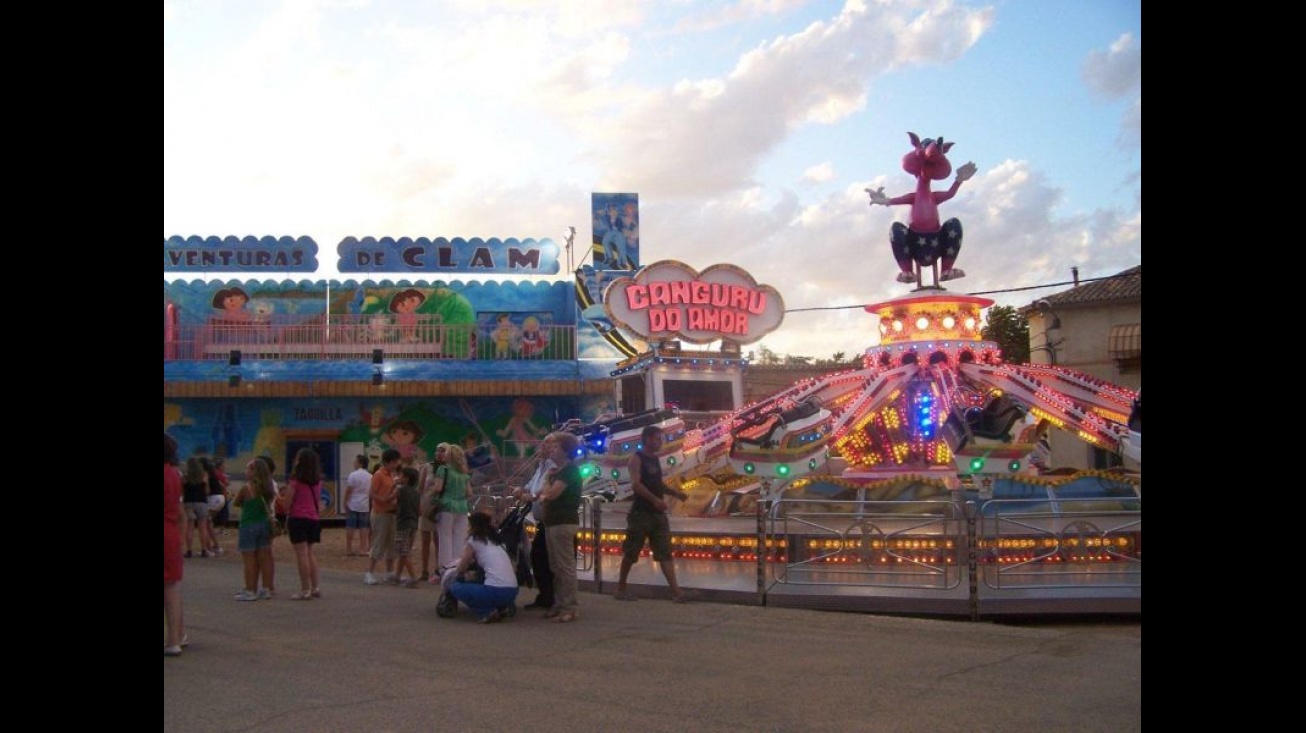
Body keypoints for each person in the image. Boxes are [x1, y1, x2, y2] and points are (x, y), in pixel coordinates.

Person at [614, 425, 692, 603]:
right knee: (631, 552)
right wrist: (654, 500)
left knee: (664, 552)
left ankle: (676, 592)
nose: (660, 443)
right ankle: (621, 588)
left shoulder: (654, 459)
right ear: (647, 439)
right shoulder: (636, 459)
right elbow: (636, 484)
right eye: (657, 439)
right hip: (641, 513)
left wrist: (675, 493)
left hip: (657, 515)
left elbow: (657, 484)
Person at [537, 431, 583, 623]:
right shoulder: (557, 470)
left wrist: (546, 488)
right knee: (555, 566)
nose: (552, 450)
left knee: (565, 566)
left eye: (556, 447)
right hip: (552, 522)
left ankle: (570, 606)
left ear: (565, 451)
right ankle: (559, 603)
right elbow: (541, 493)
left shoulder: (569, 471)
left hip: (563, 522)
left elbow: (551, 494)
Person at [443, 510, 520, 623]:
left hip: (495, 591)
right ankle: (502, 607)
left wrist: (457, 572)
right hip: (512, 591)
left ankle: (485, 612)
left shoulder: (474, 540)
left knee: (455, 587)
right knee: (483, 581)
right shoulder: (497, 542)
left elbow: (462, 566)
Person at [512, 434, 558, 611]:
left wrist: (529, 497)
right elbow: (531, 486)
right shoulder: (541, 466)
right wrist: (520, 489)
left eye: (547, 443)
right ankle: (546, 596)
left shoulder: (554, 468)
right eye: (543, 442)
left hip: (551, 520)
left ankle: (551, 597)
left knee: (543, 558)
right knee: (539, 557)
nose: (542, 446)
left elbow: (542, 491)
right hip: (543, 521)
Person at [282, 447, 324, 600]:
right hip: (313, 519)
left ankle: (305, 589)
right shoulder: (318, 482)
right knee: (310, 553)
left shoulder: (295, 482)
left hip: (298, 518)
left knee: (301, 555)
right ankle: (315, 587)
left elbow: (286, 505)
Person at [232, 458, 277, 601]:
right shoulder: (268, 487)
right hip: (263, 523)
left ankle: (250, 589)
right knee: (265, 557)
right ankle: (266, 588)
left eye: (248, 468)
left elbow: (237, 502)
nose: (246, 471)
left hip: (248, 524)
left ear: (254, 471)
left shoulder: (247, 488)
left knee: (249, 559)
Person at [164, 433, 188, 656]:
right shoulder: (174, 475)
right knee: (171, 587)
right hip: (170, 533)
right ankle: (174, 639)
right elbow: (181, 514)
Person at [432, 444, 471, 576]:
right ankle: (456, 568)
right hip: (462, 507)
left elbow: (437, 488)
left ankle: (444, 570)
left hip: (446, 506)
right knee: (459, 539)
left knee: (445, 539)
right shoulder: (464, 472)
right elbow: (469, 493)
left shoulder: (443, 469)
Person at [364, 449, 401, 585]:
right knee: (378, 542)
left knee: (392, 543)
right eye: (394, 462)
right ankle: (369, 572)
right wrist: (384, 499)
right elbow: (372, 493)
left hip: (393, 513)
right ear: (387, 462)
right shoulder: (379, 475)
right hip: (380, 513)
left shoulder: (394, 475)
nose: (396, 464)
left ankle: (389, 571)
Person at [419, 443, 449, 581]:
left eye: (442, 450)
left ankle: (438, 569)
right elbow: (420, 487)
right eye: (437, 450)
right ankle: (424, 570)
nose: (439, 453)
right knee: (425, 540)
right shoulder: (427, 467)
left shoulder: (449, 469)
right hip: (426, 506)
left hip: (440, 508)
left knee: (439, 541)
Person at [393, 466, 423, 587]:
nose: (399, 477)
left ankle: (413, 576)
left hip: (402, 523)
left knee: (403, 551)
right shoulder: (417, 493)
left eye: (401, 476)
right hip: (413, 524)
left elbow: (390, 499)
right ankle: (397, 575)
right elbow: (420, 511)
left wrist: (393, 485)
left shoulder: (400, 489)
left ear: (406, 478)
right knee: (405, 550)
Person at [181, 457, 215, 558]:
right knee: (203, 528)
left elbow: (182, 491)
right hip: (202, 502)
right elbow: (207, 491)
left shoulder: (185, 477)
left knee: (190, 528)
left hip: (189, 503)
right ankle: (204, 550)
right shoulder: (204, 476)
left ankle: (189, 550)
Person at [342, 454, 372, 557]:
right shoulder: (370, 476)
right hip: (364, 505)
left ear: (360, 463)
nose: (354, 463)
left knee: (350, 527)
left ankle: (349, 548)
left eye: (355, 461)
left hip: (352, 504)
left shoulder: (353, 475)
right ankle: (363, 549)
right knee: (364, 528)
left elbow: (348, 490)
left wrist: (345, 502)